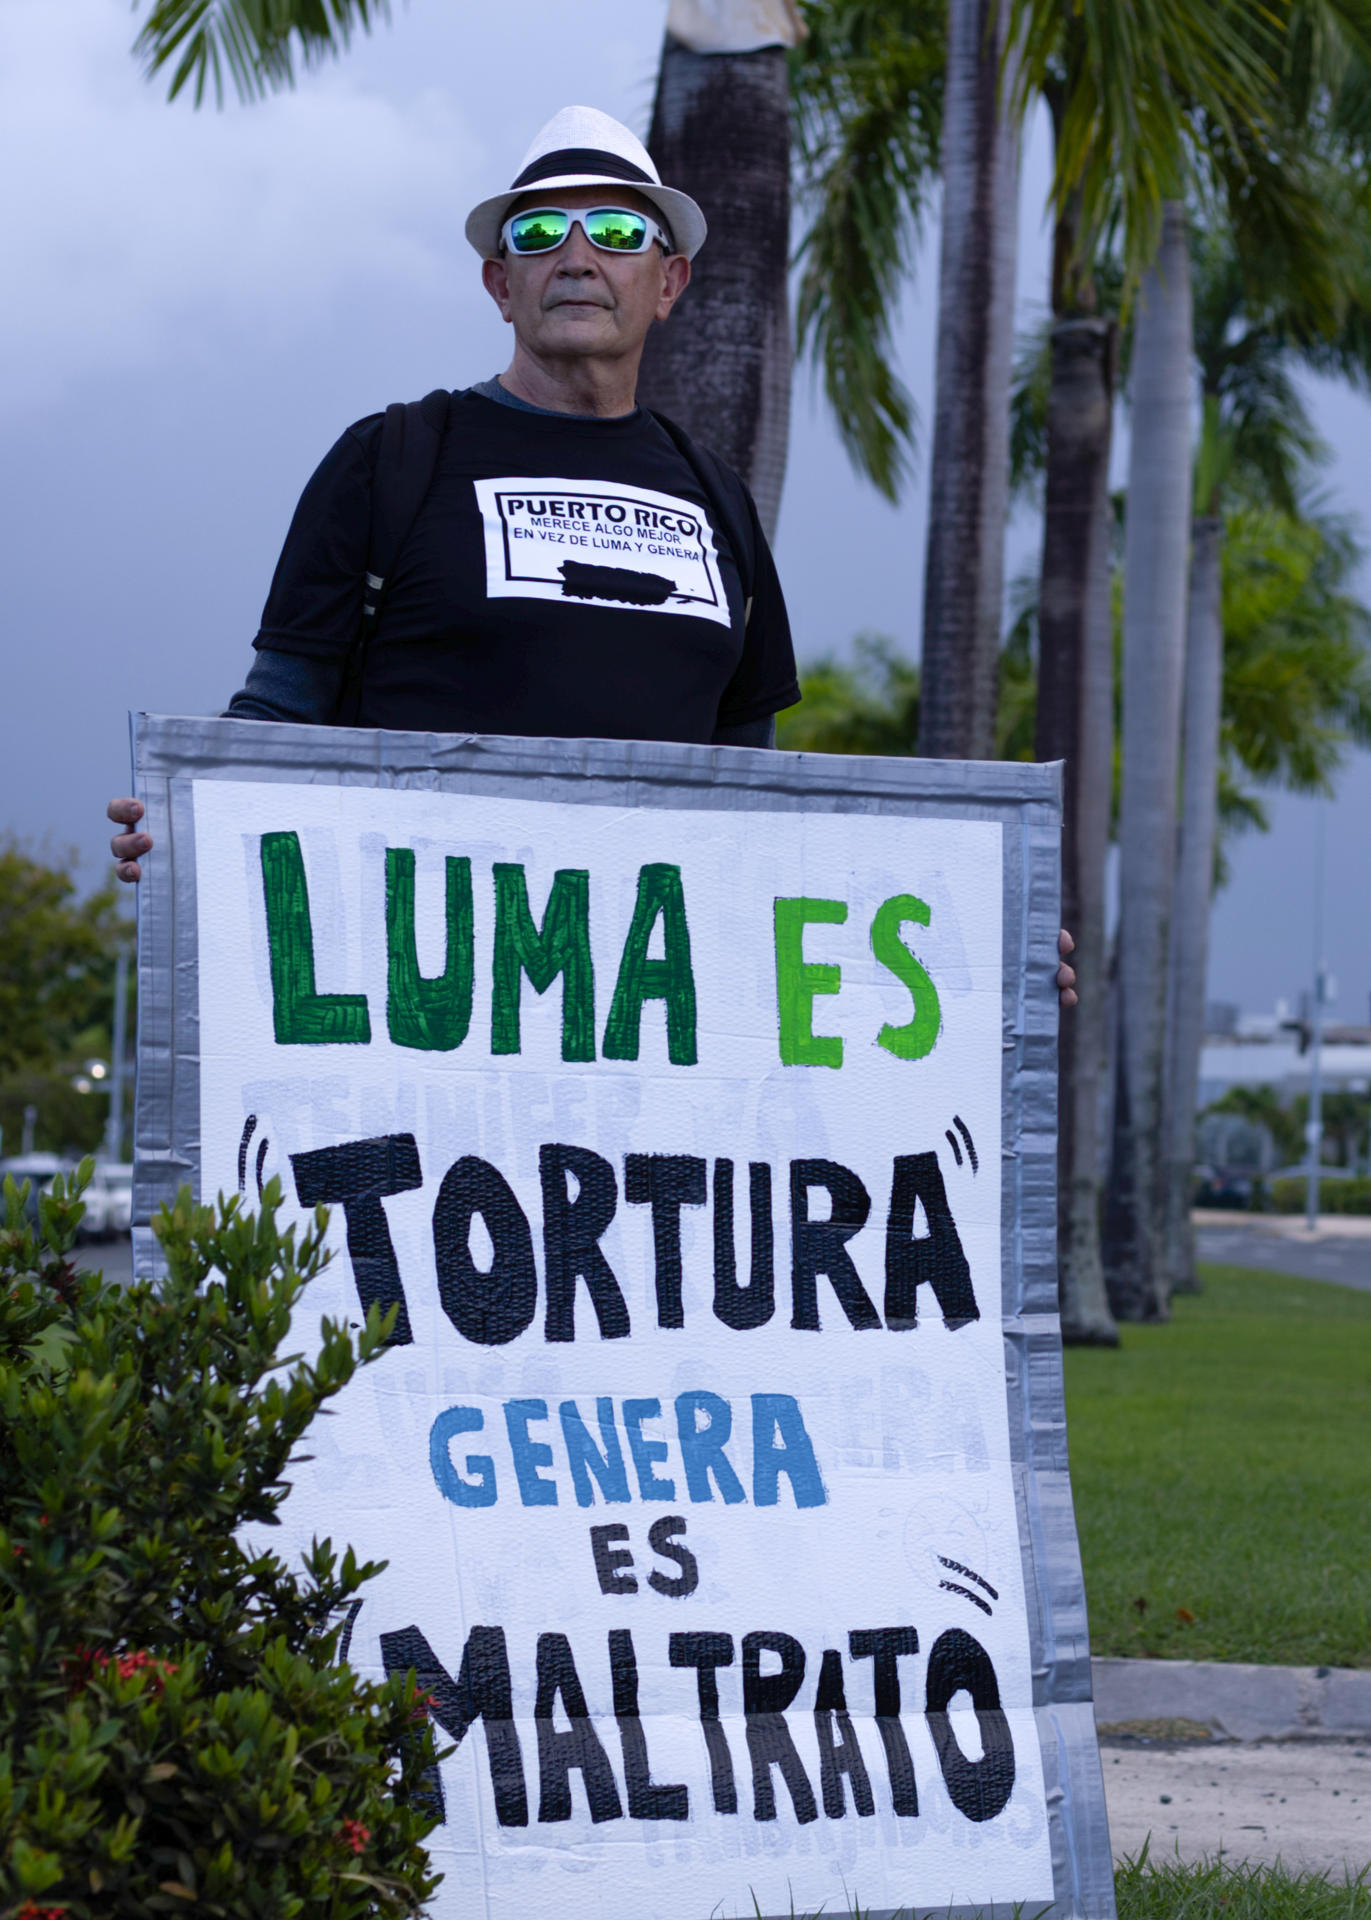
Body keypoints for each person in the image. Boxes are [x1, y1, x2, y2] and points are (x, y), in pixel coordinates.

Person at [106, 104, 1076, 1006]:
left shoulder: (719, 501)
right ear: (500, 284)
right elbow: (281, 711)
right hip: (413, 1003)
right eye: (537, 236)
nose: (576, 259)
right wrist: (196, 820)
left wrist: (985, 950)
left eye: (615, 234)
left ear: (669, 283)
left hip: (645, 1033)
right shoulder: (392, 459)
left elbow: (759, 807)